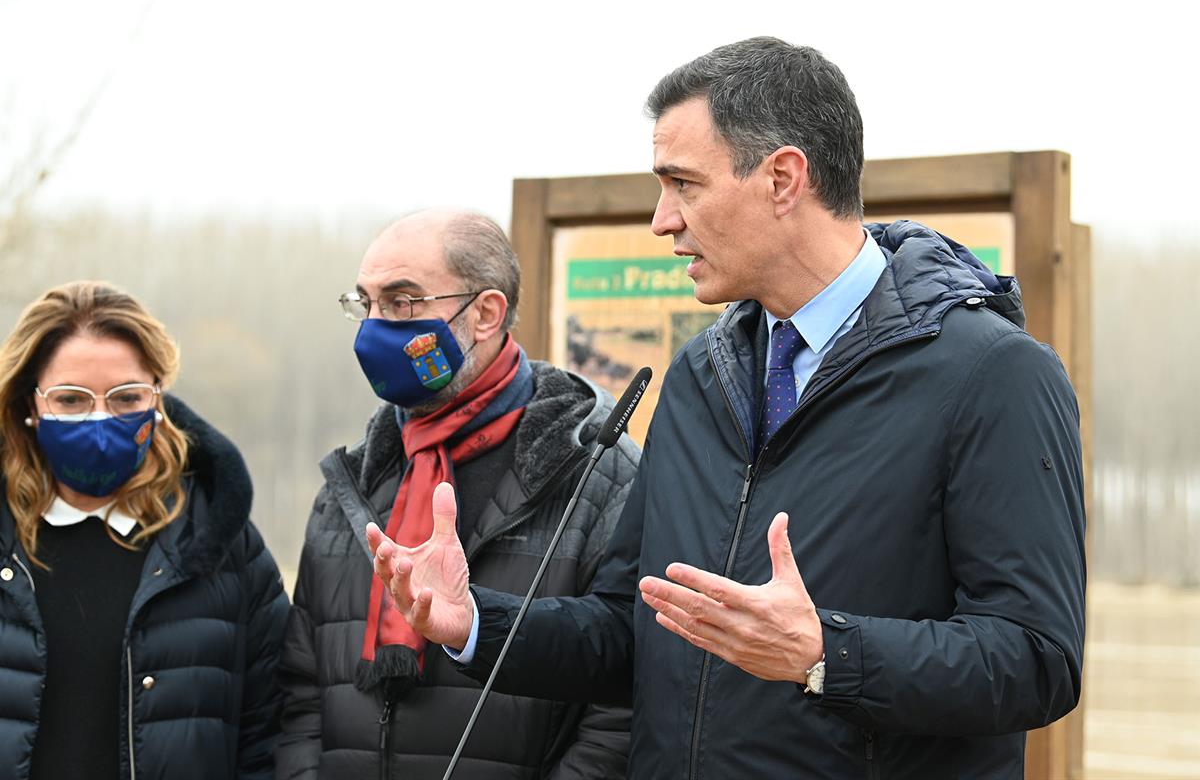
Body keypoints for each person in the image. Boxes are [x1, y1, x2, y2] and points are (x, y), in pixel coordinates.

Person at [368, 38, 1087, 779]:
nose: (661, 220)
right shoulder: (698, 377)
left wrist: (824, 655)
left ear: (782, 178)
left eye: (683, 184)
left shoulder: (994, 373)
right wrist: (477, 622)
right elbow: (630, 629)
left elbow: (1037, 659)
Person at [275, 209, 636, 779]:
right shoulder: (351, 483)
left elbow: (621, 709)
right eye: (365, 303)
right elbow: (299, 697)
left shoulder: (596, 472)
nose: (375, 327)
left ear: (487, 313)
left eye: (402, 302)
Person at [0, 281, 289, 780]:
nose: (99, 419)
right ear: (31, 406)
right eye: (70, 400)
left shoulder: (224, 546)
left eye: (125, 397)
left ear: (157, 398)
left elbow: (273, 733)